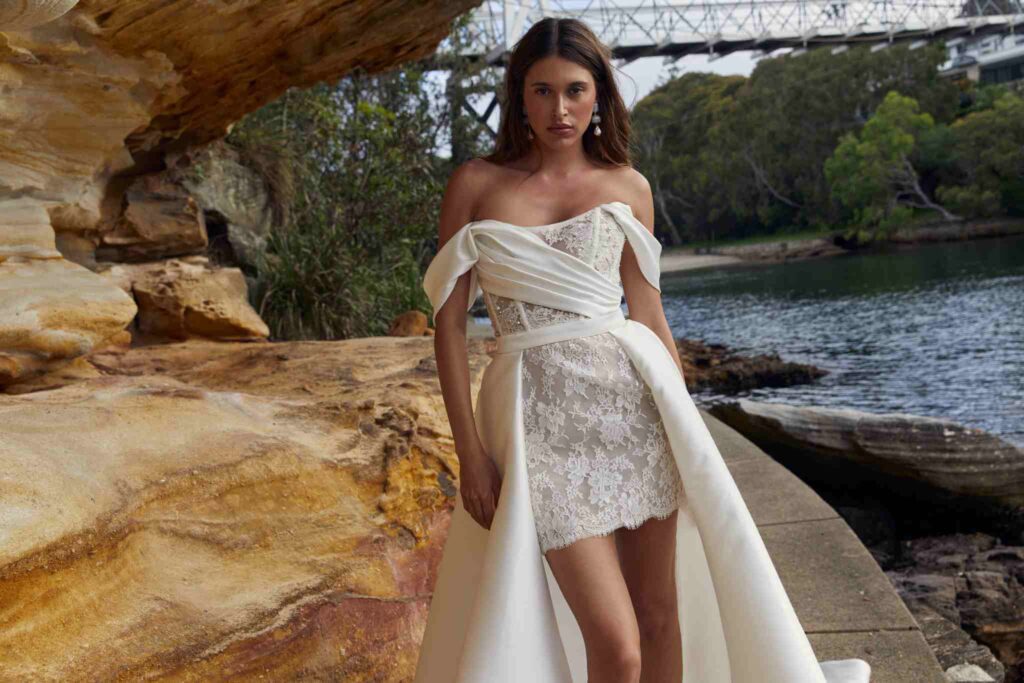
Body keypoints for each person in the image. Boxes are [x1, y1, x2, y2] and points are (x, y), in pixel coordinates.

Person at [415, 16, 872, 683]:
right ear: (519, 96)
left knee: (659, 615)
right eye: (541, 91)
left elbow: (648, 310)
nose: (559, 108)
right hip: (540, 424)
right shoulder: (477, 185)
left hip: (634, 412)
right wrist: (470, 453)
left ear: (598, 93)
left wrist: (686, 426)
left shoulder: (628, 187)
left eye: (574, 89)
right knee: (617, 641)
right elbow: (449, 327)